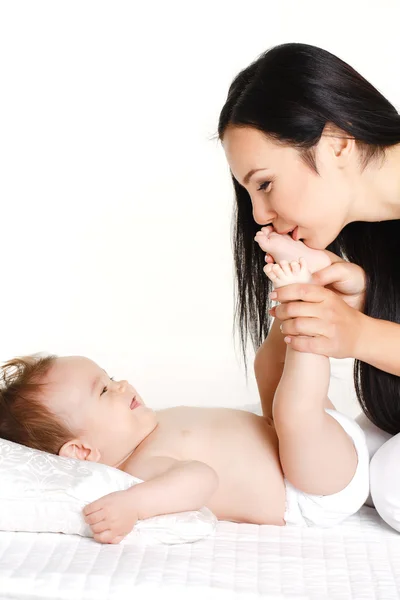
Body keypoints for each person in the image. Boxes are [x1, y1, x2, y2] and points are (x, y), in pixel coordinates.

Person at [0, 243, 369, 544]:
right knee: (294, 410)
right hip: (311, 488)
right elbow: (199, 480)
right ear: (82, 451)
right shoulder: (140, 471)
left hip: (310, 442)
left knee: (268, 370)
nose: (123, 384)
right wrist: (133, 505)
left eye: (110, 377)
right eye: (104, 391)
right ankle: (304, 305)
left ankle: (293, 300)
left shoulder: (149, 428)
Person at [218, 42, 400, 531]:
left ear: (337, 140)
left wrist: (357, 332)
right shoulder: (364, 233)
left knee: (391, 478)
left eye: (265, 184)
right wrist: (324, 302)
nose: (258, 216)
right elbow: (275, 387)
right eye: (248, 193)